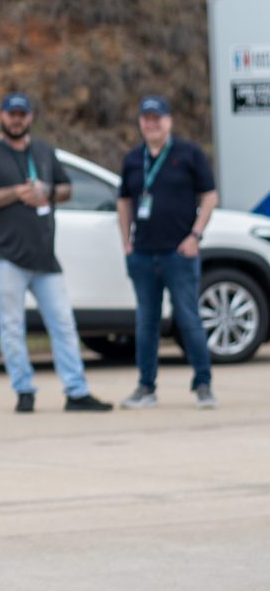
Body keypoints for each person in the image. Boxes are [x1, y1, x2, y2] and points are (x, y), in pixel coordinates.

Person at [0, 91, 113, 415]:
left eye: (22, 113)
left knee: (63, 323)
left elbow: (67, 188)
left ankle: (76, 391)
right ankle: (24, 390)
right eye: (11, 114)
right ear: (1, 116)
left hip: (45, 257)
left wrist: (47, 192)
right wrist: (16, 193)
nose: (16, 119)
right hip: (7, 255)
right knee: (12, 325)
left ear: (30, 117)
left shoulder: (44, 150)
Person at [117, 95, 218, 408]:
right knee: (146, 322)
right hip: (144, 254)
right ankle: (146, 387)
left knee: (188, 318)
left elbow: (210, 196)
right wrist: (127, 243)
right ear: (140, 123)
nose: (152, 124)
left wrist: (195, 236)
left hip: (179, 253)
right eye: (146, 118)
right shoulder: (133, 159)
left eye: (157, 118)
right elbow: (123, 202)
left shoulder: (189, 154)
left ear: (168, 121)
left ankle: (203, 384)